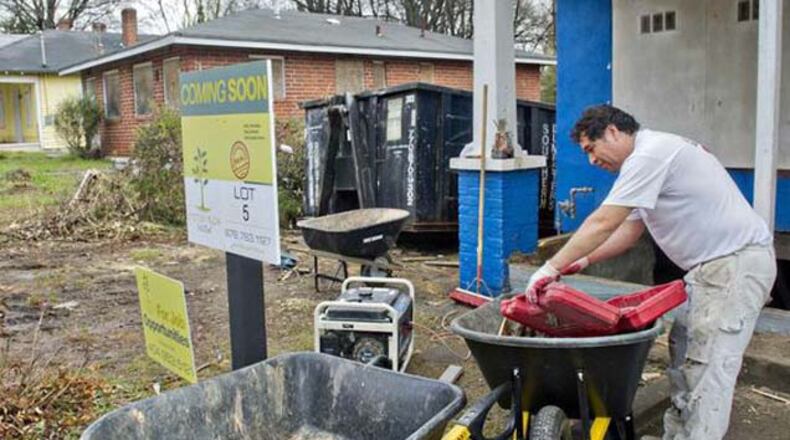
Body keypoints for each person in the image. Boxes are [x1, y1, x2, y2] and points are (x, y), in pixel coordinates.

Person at [525, 105, 776, 440]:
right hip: (710, 270)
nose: (592, 161)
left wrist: (549, 266)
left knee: (709, 366)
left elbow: (603, 222)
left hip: (734, 265)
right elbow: (626, 234)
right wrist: (580, 262)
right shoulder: (647, 162)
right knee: (685, 353)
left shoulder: (650, 155)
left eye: (591, 149)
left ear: (613, 131)